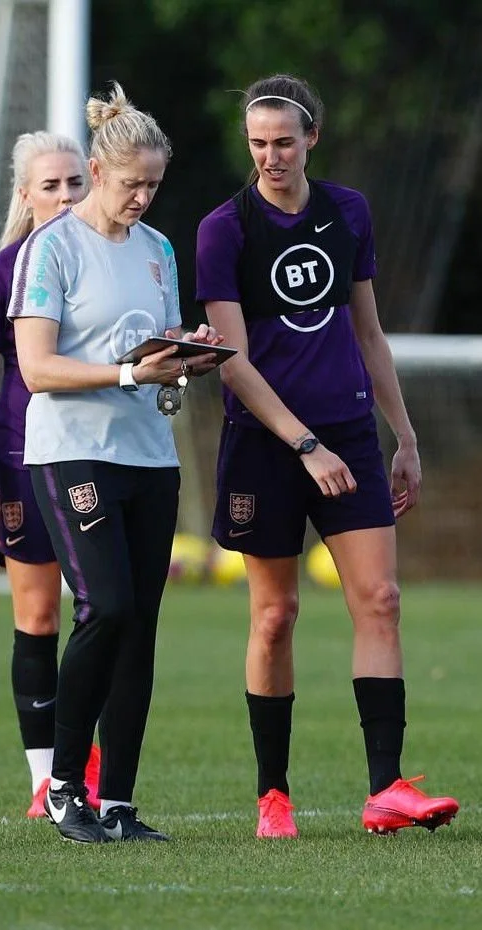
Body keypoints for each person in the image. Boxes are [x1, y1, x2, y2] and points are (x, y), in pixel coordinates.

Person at [196, 74, 459, 838]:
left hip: (347, 433)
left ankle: (385, 790)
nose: (269, 156)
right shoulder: (225, 228)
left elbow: (367, 333)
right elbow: (232, 359)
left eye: (283, 141)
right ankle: (272, 797)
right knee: (275, 614)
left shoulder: (348, 212)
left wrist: (402, 435)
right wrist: (301, 444)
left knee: (380, 601)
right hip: (266, 444)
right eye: (257, 144)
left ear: (312, 138)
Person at [7, 83, 221, 844]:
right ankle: (66, 787)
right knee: (107, 608)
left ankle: (121, 804)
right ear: (97, 171)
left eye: (153, 185)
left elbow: (150, 345)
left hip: (146, 455)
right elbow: (37, 368)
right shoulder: (52, 247)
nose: (142, 197)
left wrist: (182, 354)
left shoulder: (159, 248)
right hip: (72, 450)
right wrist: (130, 374)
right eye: (131, 183)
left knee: (142, 626)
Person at [0, 131, 101, 819]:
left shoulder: (112, 262)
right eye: (50, 185)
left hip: (101, 459)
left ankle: (92, 761)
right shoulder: (0, 275)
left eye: (76, 182)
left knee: (106, 611)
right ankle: (46, 779)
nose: (66, 196)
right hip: (21, 463)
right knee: (38, 615)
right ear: (25, 194)